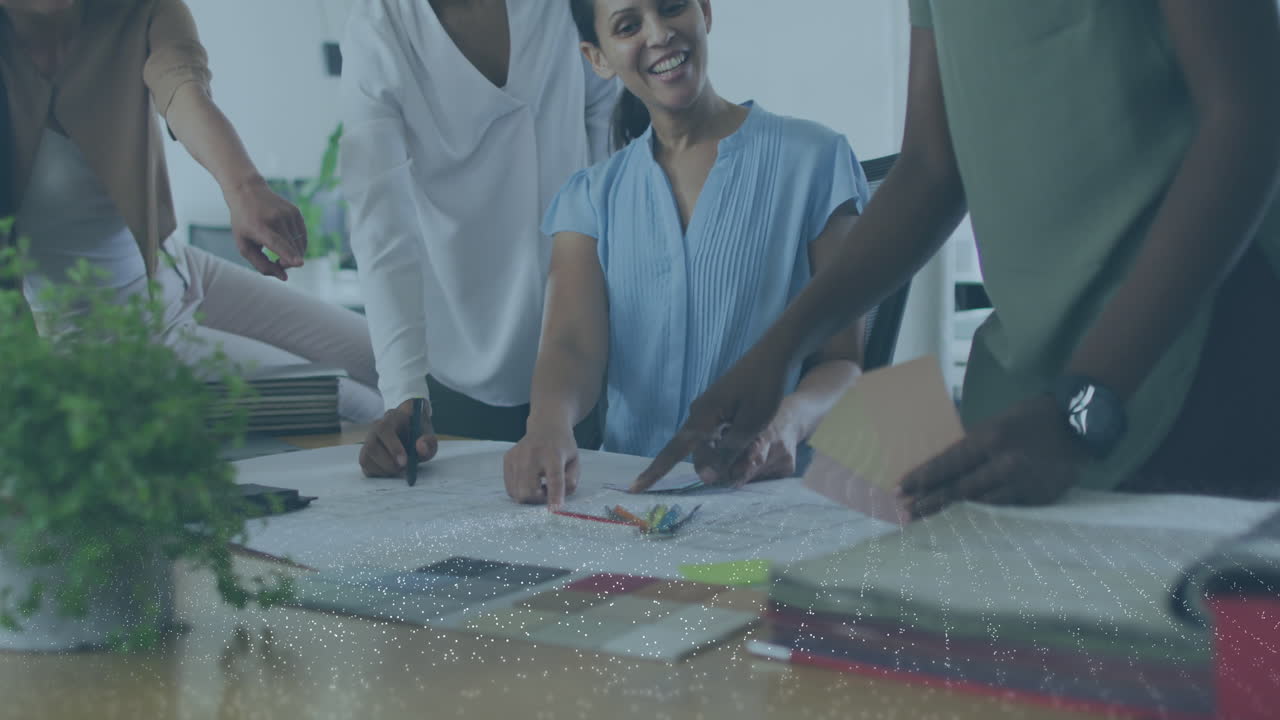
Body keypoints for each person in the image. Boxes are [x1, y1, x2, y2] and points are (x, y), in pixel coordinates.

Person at [636, 1, 1280, 515]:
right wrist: (777, 349)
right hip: (1026, 395)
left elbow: (1247, 120)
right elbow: (930, 170)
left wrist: (1082, 407)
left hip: (1195, 366)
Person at [502, 0, 872, 510]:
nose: (659, 34)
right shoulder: (589, 196)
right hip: (623, 504)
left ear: (704, 12)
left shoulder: (816, 159)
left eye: (672, 7)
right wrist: (546, 425)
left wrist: (787, 422)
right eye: (628, 26)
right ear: (598, 58)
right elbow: (571, 348)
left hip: (764, 498)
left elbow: (844, 364)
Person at [0, 0, 383, 422]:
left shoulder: (140, 9)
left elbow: (182, 88)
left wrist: (245, 189)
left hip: (178, 269)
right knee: (352, 407)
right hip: (108, 335)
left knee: (386, 359)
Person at [341, 0, 620, 478]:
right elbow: (379, 222)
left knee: (596, 529)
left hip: (590, 339)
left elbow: (610, 142)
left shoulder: (560, 10)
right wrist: (405, 393)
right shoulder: (381, 26)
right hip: (454, 364)